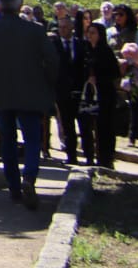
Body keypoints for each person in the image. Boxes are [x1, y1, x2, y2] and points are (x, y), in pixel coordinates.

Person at [0, 0, 58, 209]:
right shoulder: (36, 31)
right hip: (31, 94)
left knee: (7, 141)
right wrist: (49, 86)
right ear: (20, 6)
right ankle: (29, 176)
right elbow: (53, 62)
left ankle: (14, 186)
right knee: (32, 139)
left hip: (1, 95)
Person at [52, 10, 89, 165]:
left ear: (72, 28)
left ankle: (89, 156)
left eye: (66, 27)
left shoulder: (81, 44)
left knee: (85, 126)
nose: (63, 30)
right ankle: (71, 156)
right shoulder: (53, 45)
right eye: (61, 28)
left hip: (79, 91)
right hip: (62, 92)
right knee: (67, 126)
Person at [83, 20, 120, 170]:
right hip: (89, 94)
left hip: (105, 94)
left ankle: (106, 158)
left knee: (105, 126)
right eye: (89, 33)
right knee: (88, 126)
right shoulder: (86, 50)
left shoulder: (105, 51)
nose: (90, 36)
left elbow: (114, 74)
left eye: (93, 33)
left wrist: (98, 79)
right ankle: (91, 156)